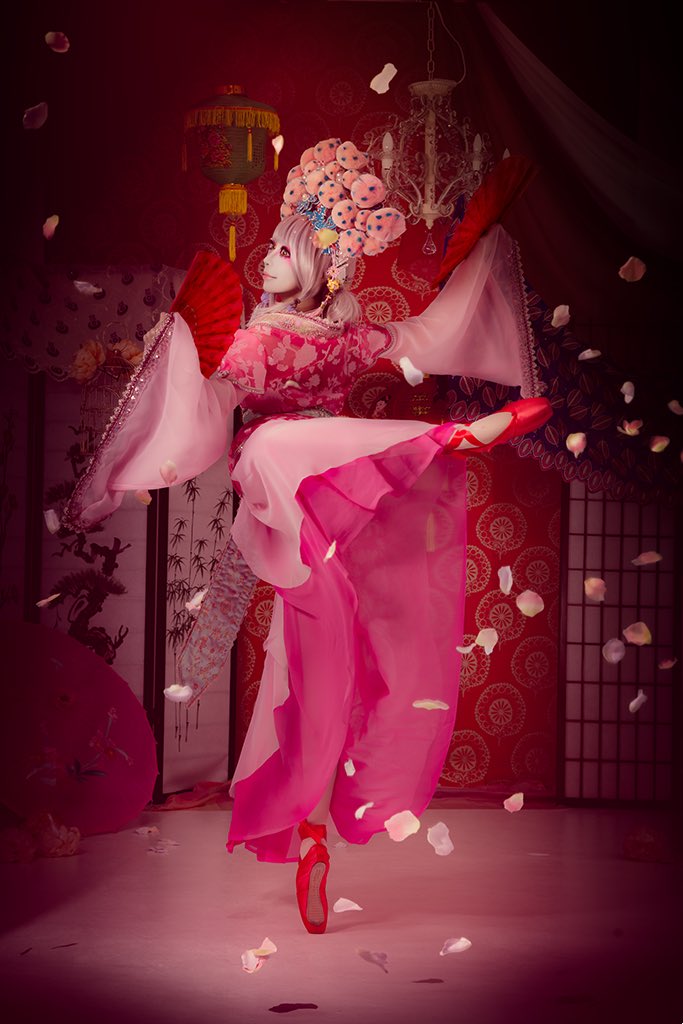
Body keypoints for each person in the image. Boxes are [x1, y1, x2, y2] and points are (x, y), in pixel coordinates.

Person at [54, 137, 551, 935]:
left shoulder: (295, 340)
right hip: (297, 490)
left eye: (283, 252)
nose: (266, 262)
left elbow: (409, 340)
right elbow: (417, 336)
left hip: (320, 513)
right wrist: (179, 350)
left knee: (313, 673)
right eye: (272, 250)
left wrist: (177, 363)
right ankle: (447, 440)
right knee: (284, 446)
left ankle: (312, 833)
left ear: (322, 263)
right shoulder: (300, 340)